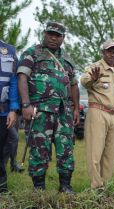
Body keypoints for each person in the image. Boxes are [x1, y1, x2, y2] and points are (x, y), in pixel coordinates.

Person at [17, 22, 79, 194]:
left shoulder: (66, 58)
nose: (54, 37)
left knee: (66, 148)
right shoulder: (32, 53)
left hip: (64, 112)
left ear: (63, 38)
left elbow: (74, 84)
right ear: (44, 34)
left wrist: (75, 109)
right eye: (51, 34)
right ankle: (39, 188)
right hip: (40, 110)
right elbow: (22, 78)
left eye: (58, 35)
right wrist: (26, 104)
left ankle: (65, 186)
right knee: (39, 149)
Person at [81, 39, 114, 190]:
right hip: (98, 112)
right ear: (103, 52)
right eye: (109, 51)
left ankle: (105, 185)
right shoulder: (95, 67)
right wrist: (92, 79)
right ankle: (96, 186)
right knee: (95, 152)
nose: (112, 54)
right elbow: (84, 81)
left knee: (110, 154)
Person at [0, 39, 19, 193]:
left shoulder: (9, 50)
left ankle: (2, 189)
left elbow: (13, 81)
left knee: (1, 151)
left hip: (3, 110)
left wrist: (13, 109)